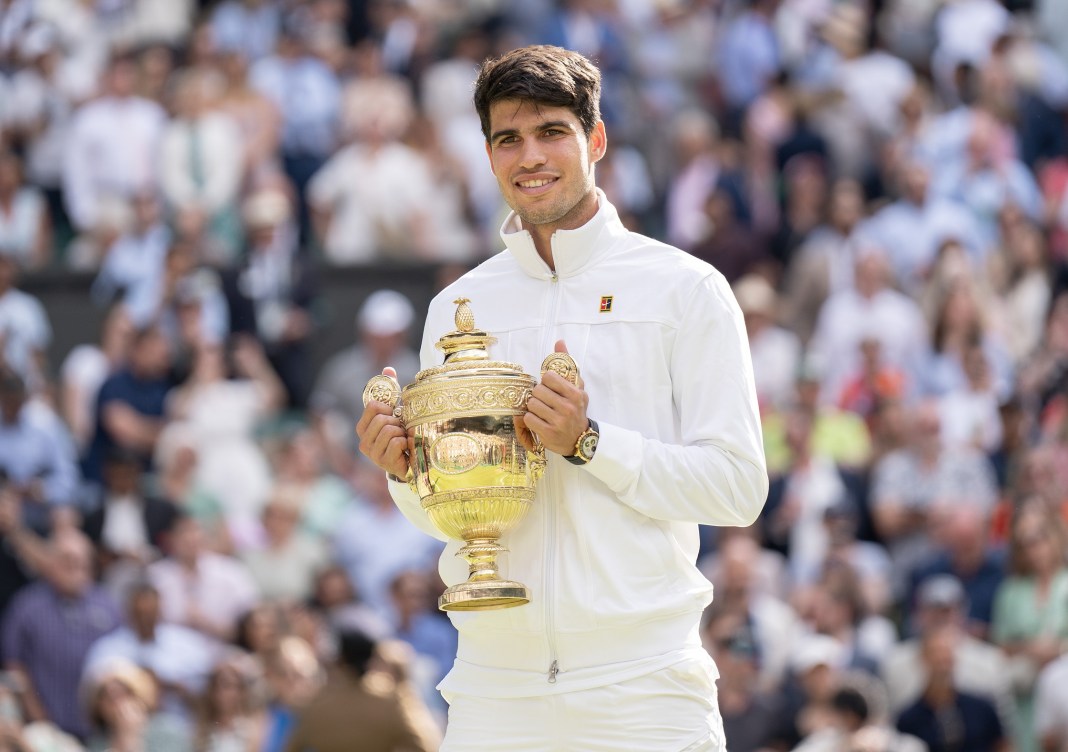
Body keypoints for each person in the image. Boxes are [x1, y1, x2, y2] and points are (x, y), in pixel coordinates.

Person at [357, 44, 768, 751]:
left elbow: (737, 489)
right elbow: (449, 516)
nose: (530, 156)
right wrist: (402, 471)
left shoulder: (686, 289)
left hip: (644, 689)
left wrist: (590, 443)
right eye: (508, 138)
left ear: (596, 140)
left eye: (552, 132)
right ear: (488, 156)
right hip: (494, 690)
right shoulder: (457, 306)